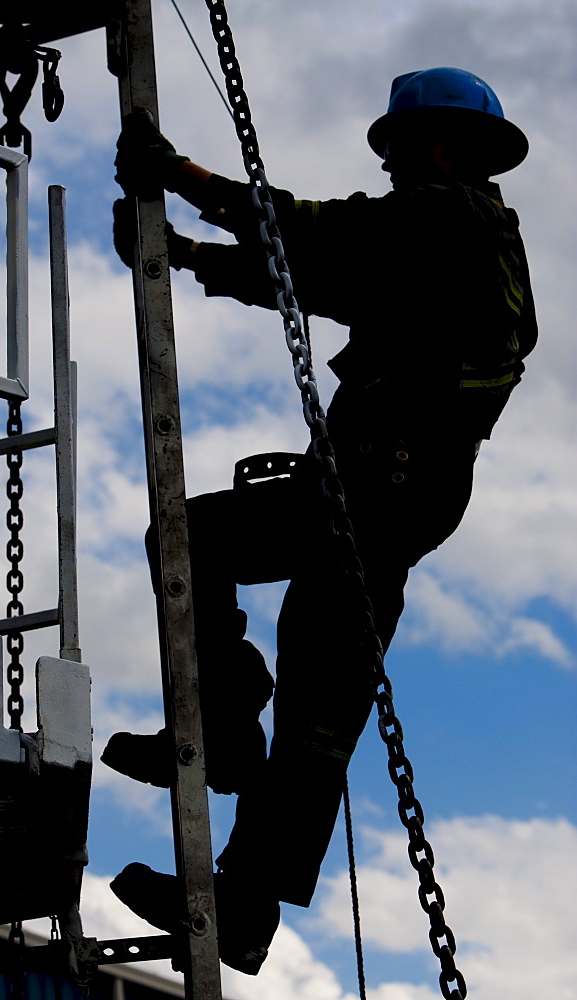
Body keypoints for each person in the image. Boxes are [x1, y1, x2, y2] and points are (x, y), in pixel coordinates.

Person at [102, 68, 537, 974]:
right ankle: (245, 908)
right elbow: (319, 278)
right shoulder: (461, 245)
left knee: (188, 538)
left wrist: (176, 174)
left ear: (441, 148)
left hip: (385, 479)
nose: (391, 171)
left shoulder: (440, 217)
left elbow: (311, 235)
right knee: (321, 709)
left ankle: (223, 725)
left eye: (404, 152)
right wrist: (184, 257)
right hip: (410, 489)